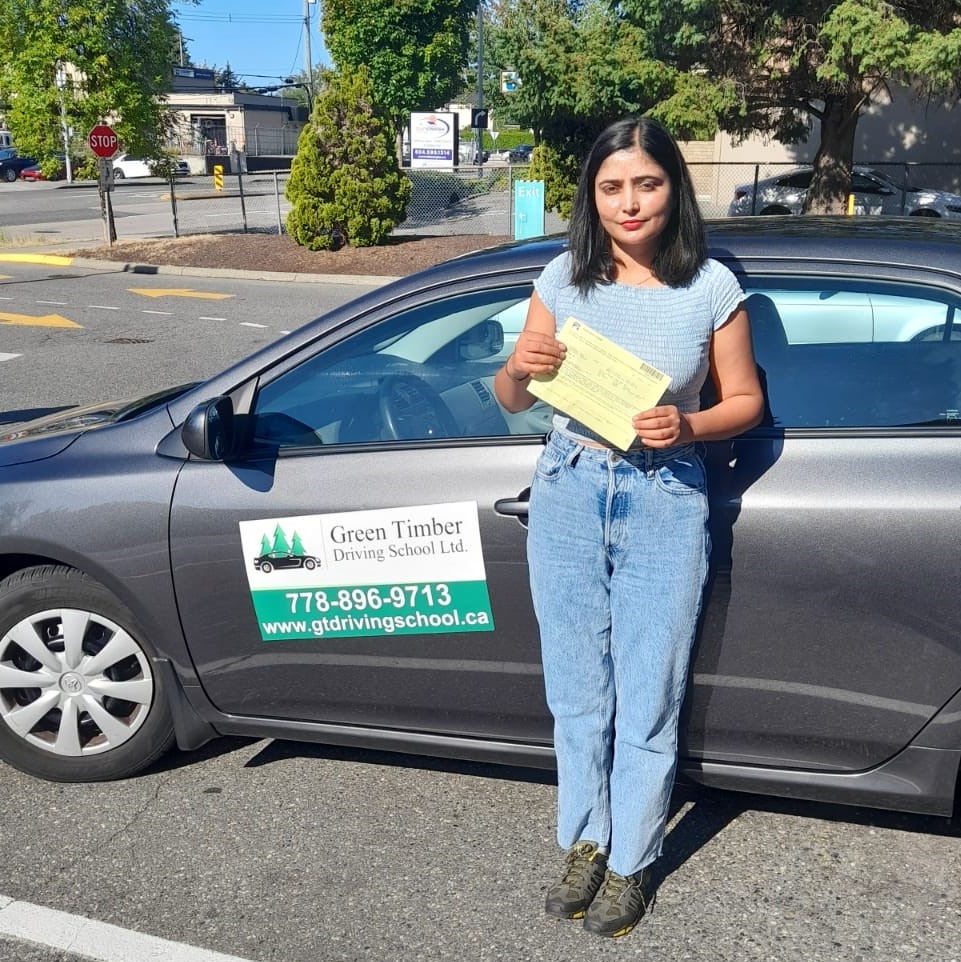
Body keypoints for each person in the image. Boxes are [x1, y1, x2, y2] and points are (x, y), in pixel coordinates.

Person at [493, 116, 764, 938]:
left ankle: (631, 857)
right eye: (611, 187)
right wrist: (515, 368)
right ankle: (583, 839)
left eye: (646, 183)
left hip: (665, 498)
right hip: (570, 488)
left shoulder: (710, 286)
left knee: (649, 691)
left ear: (673, 188)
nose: (628, 202)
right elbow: (511, 400)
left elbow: (746, 403)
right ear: (591, 196)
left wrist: (689, 428)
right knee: (576, 692)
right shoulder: (560, 278)